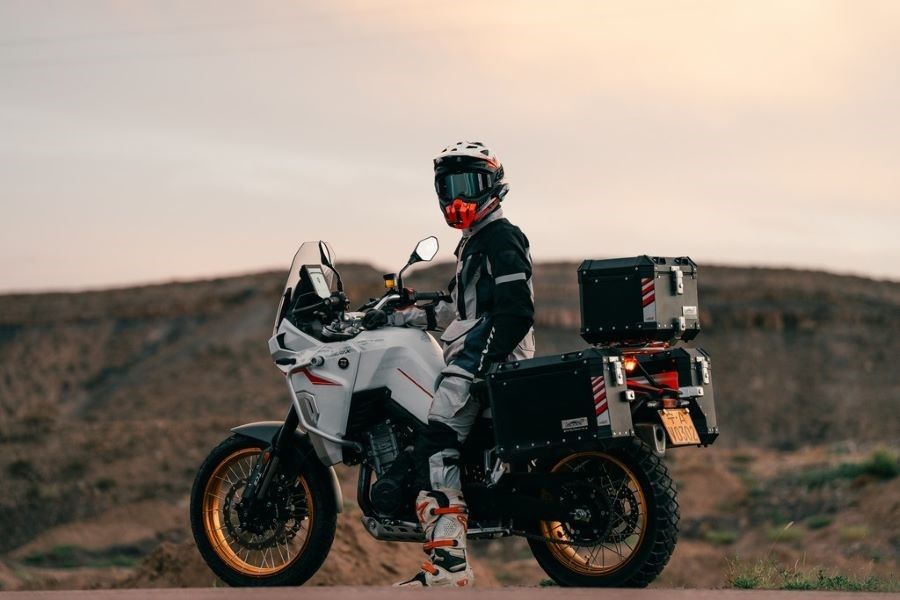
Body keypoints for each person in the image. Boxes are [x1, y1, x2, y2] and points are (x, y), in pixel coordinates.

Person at [363, 141, 535, 587]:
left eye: (469, 184)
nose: (457, 196)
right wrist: (400, 316)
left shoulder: (500, 238)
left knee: (436, 446)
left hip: (482, 359)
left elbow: (515, 311)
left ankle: (448, 568)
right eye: (449, 185)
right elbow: (461, 312)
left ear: (492, 186)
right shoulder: (475, 243)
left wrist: (479, 368)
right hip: (478, 353)